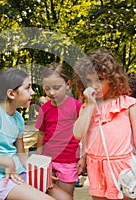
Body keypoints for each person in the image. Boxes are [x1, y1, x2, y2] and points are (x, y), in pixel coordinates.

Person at [0, 68, 71, 200]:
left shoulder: (18, 118)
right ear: (11, 94)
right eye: (27, 88)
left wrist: (38, 171)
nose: (33, 92)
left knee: (65, 198)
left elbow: (21, 154)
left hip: (19, 172)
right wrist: (7, 162)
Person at [73, 48, 136, 200]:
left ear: (111, 78)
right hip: (97, 169)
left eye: (100, 79)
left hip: (124, 170)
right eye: (89, 81)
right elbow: (79, 134)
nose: (94, 86)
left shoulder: (127, 104)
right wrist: (90, 105)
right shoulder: (86, 107)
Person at [35, 63, 82, 197]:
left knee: (66, 196)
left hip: (69, 161)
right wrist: (40, 159)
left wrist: (83, 157)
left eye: (56, 87)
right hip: (48, 161)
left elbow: (84, 134)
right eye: (47, 88)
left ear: (68, 84)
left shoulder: (76, 107)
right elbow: (41, 134)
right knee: (47, 194)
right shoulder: (44, 109)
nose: (52, 92)